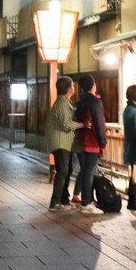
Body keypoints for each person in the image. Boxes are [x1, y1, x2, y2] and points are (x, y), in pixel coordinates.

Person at [73, 74, 107, 215]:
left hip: (79, 141)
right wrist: (103, 143)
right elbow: (99, 123)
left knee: (85, 170)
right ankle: (87, 203)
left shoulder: (79, 102)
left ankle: (81, 197)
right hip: (92, 141)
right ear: (93, 84)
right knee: (89, 172)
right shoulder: (95, 102)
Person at [45, 76, 76, 212]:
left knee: (66, 171)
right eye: (73, 86)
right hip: (61, 142)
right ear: (69, 88)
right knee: (62, 171)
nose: (74, 88)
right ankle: (55, 202)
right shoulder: (62, 103)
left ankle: (64, 200)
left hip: (64, 142)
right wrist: (80, 124)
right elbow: (66, 124)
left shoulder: (64, 102)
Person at [122, 85, 136, 210]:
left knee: (134, 174)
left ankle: (132, 201)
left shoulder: (128, 109)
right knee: (135, 174)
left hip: (130, 145)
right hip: (134, 146)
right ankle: (132, 202)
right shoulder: (134, 111)